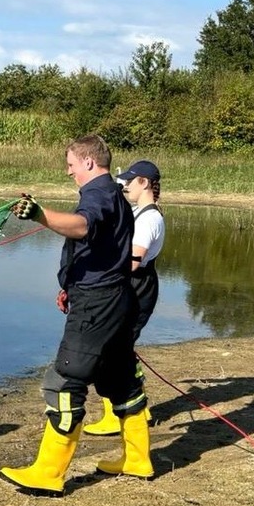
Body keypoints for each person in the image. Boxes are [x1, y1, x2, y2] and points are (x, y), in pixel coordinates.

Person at [0, 134, 152, 496]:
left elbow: (83, 226)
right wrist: (71, 283)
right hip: (114, 300)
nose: (68, 172)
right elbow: (100, 246)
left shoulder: (98, 193)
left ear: (88, 162)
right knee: (120, 379)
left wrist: (38, 215)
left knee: (64, 382)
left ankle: (48, 474)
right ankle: (137, 460)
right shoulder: (112, 193)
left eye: (70, 165)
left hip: (97, 305)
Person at [83, 159, 165, 435]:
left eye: (130, 181)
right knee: (119, 350)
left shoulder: (150, 218)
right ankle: (134, 410)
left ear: (144, 183)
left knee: (115, 351)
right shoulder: (138, 210)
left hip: (138, 287)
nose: (126, 186)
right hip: (130, 286)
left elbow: (131, 262)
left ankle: (125, 412)